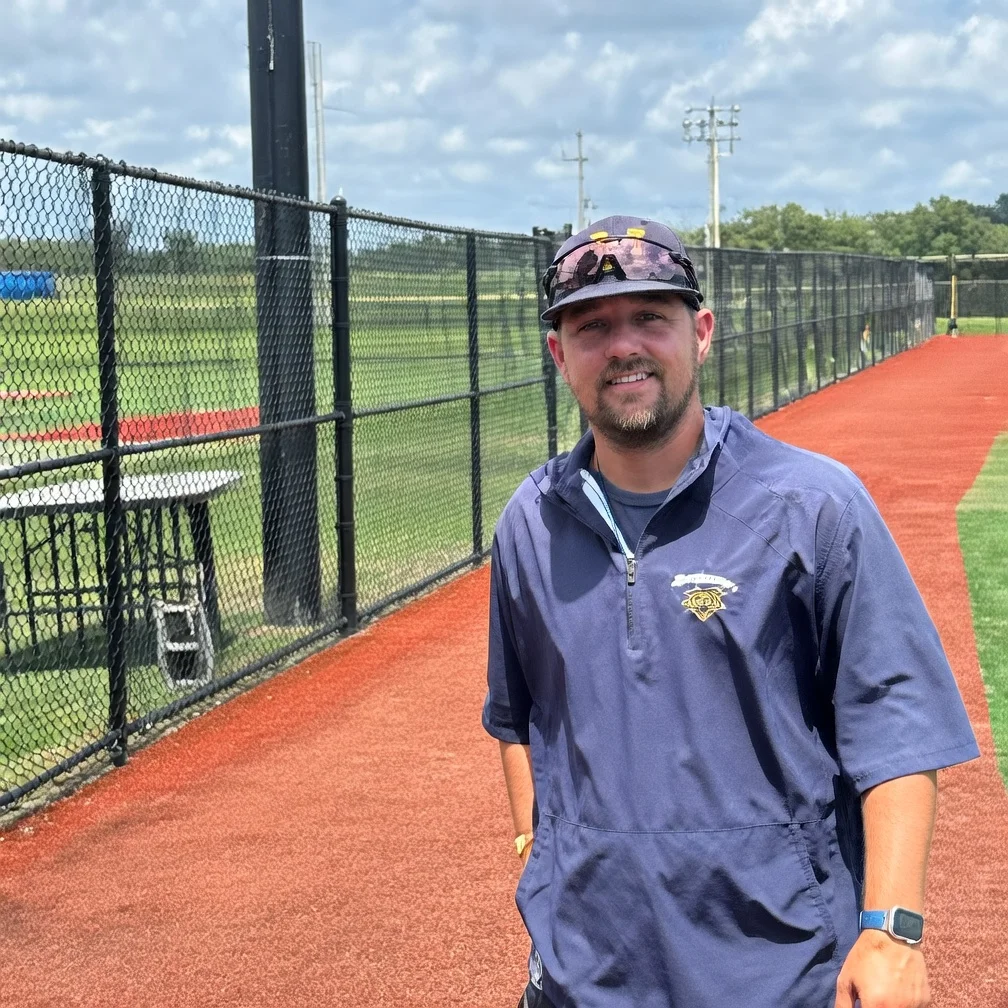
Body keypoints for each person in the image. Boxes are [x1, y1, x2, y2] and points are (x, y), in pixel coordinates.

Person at [482, 216, 979, 1008]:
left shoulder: (813, 506)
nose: (623, 347)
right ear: (558, 354)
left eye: (651, 317)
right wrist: (539, 855)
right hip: (583, 978)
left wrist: (890, 933)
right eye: (593, 326)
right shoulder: (531, 522)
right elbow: (519, 714)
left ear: (701, 332)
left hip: (778, 972)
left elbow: (898, 726)